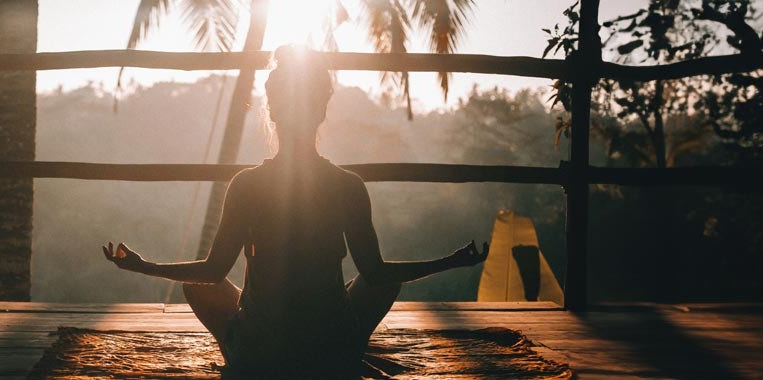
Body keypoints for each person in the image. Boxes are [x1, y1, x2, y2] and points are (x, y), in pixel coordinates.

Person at [102, 45, 489, 378]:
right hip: (330, 352)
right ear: (321, 112)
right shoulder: (347, 185)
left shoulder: (247, 185)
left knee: (198, 285)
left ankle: (239, 352)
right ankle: (345, 349)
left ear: (272, 111)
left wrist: (143, 266)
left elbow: (213, 271)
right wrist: (451, 261)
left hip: (262, 354)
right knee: (384, 280)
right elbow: (376, 273)